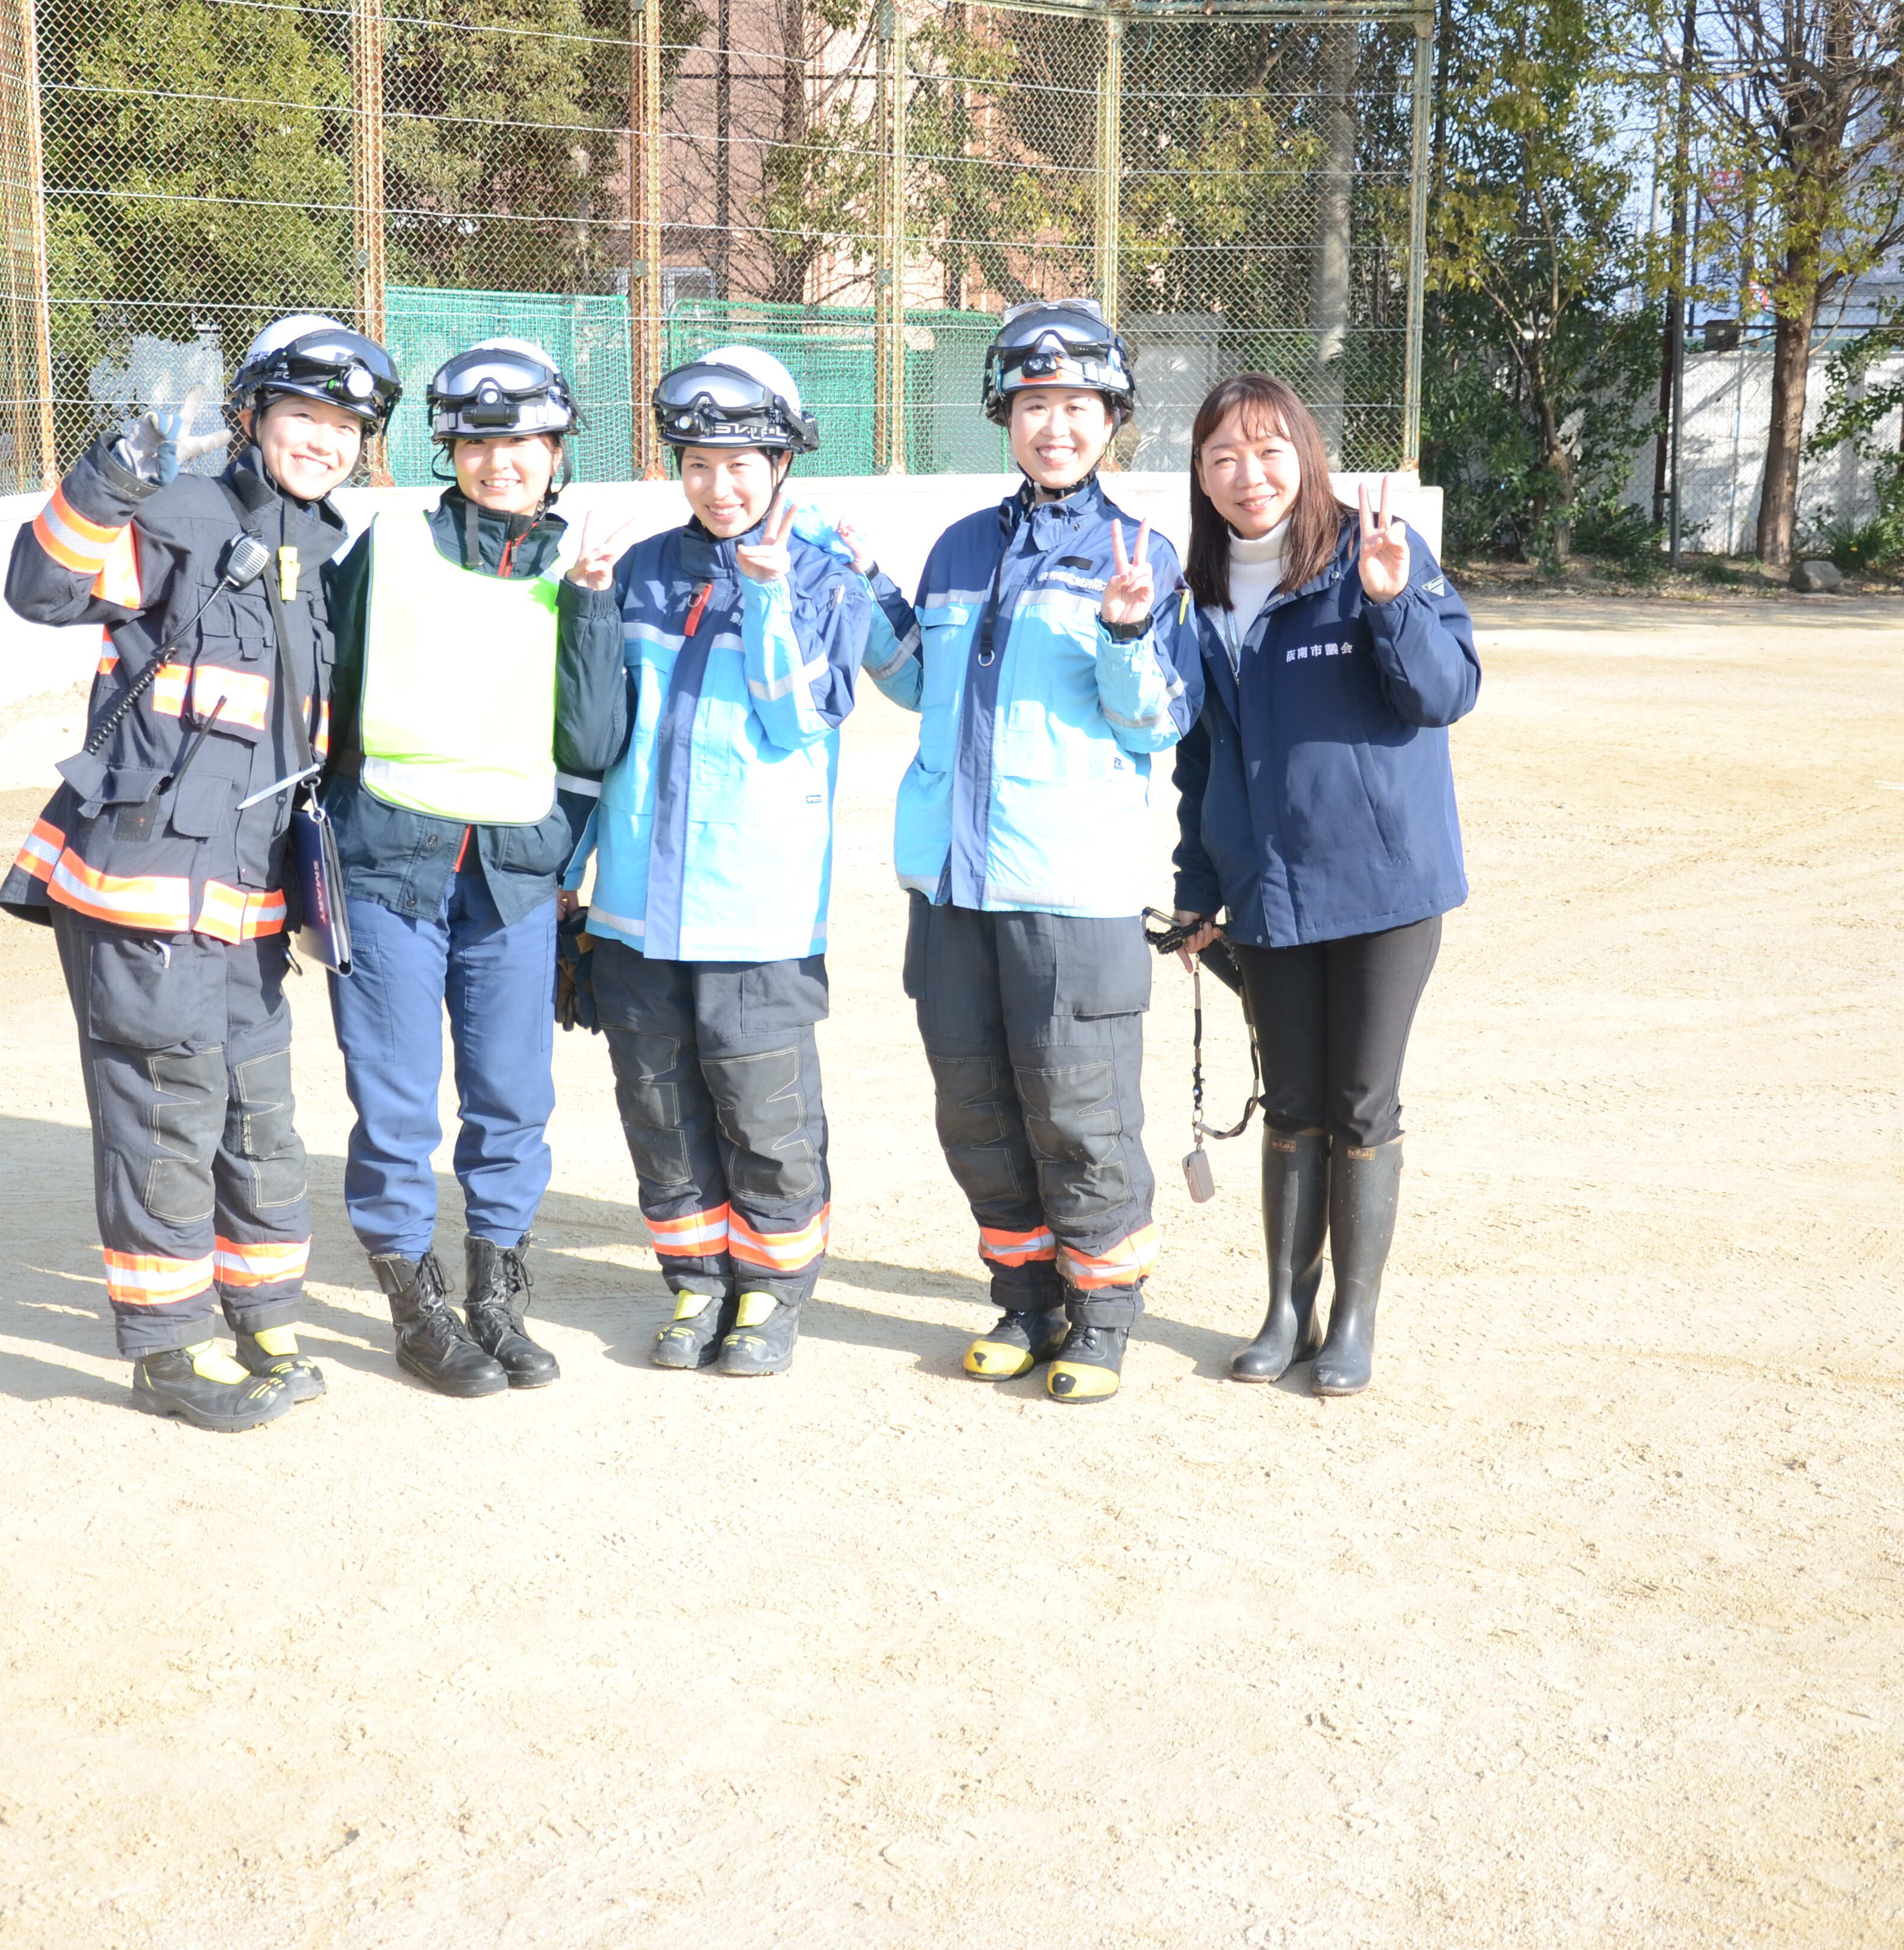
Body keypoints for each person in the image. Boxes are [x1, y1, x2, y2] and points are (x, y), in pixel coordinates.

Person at [0, 314, 400, 1432]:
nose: (323, 442)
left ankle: (262, 1308)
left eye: (346, 428)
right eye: (303, 417)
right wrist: (105, 483)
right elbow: (41, 590)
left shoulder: (329, 553)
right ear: (253, 416)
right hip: (145, 885)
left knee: (256, 1111)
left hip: (255, 900)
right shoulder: (179, 514)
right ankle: (168, 1347)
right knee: (168, 1110)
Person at [853, 299, 1200, 1406]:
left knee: (1079, 1107)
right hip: (953, 887)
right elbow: (912, 681)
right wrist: (858, 588)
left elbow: (1155, 722)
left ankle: (1100, 1315)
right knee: (978, 1108)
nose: (1057, 427)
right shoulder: (960, 546)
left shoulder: (1139, 552)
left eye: (1080, 408)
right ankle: (1023, 1299)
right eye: (1036, 405)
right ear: (1005, 412)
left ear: (1113, 421)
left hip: (1072, 888)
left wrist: (1129, 630)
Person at [317, 338, 628, 1397]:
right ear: (450, 448)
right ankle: (418, 1308)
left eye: (527, 441)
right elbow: (334, 686)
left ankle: (498, 1298)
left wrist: (591, 603)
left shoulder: (578, 570)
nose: (503, 461)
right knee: (396, 1099)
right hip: (388, 866)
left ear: (558, 453)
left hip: (512, 879)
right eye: (480, 441)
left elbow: (591, 739)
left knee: (513, 1096)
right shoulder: (390, 544)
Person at [1166, 373, 1479, 1396]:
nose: (1247, 475)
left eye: (1267, 451)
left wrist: (1390, 606)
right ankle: (1284, 1310)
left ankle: (1354, 1319)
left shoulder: (1373, 553)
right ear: (1203, 478)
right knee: (1291, 1101)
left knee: (1360, 1103)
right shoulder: (1202, 592)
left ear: (1305, 453)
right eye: (1223, 457)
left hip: (1385, 886)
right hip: (1268, 890)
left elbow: (1447, 691)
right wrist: (1198, 887)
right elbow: (1202, 754)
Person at [565, 347, 870, 1376]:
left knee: (766, 1117)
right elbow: (594, 731)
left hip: (760, 915)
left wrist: (775, 598)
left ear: (785, 461)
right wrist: (591, 604)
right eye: (698, 463)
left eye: (743, 462)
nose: (719, 484)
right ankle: (696, 1286)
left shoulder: (829, 577)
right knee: (659, 1110)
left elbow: (798, 720)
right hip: (637, 911)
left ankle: (770, 1298)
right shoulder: (645, 568)